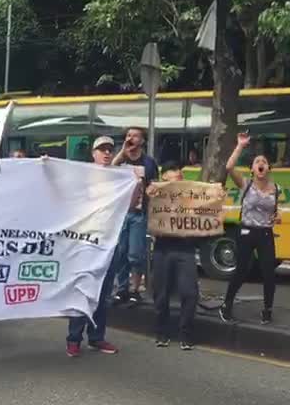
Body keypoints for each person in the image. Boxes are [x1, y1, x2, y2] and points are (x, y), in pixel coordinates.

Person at [65, 136, 125, 357]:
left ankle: (96, 338)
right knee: (83, 292)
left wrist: (137, 183)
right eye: (102, 149)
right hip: (87, 244)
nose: (107, 153)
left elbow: (132, 202)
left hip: (110, 244)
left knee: (103, 294)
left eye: (110, 149)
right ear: (94, 153)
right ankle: (74, 339)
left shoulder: (120, 178)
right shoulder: (82, 175)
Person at [220, 133, 281, 325]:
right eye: (257, 162)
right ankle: (227, 304)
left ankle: (267, 309)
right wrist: (240, 145)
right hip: (246, 231)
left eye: (264, 162)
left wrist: (278, 216)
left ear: (268, 168)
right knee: (242, 270)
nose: (261, 164)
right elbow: (229, 167)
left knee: (269, 272)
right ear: (253, 169)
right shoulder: (246, 184)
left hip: (265, 233)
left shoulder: (276, 188)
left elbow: (276, 211)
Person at [147, 162, 199, 351]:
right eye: (169, 181)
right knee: (160, 293)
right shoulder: (156, 198)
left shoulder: (192, 198)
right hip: (163, 248)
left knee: (189, 293)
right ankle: (162, 332)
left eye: (177, 180)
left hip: (185, 248)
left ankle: (186, 333)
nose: (173, 185)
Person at [112, 127, 158, 305]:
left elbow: (154, 186)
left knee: (135, 254)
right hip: (122, 213)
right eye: (128, 135)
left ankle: (135, 290)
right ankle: (121, 289)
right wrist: (122, 152)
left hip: (139, 214)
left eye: (135, 135)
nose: (131, 138)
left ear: (142, 141)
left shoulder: (148, 162)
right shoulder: (121, 159)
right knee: (121, 252)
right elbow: (108, 172)